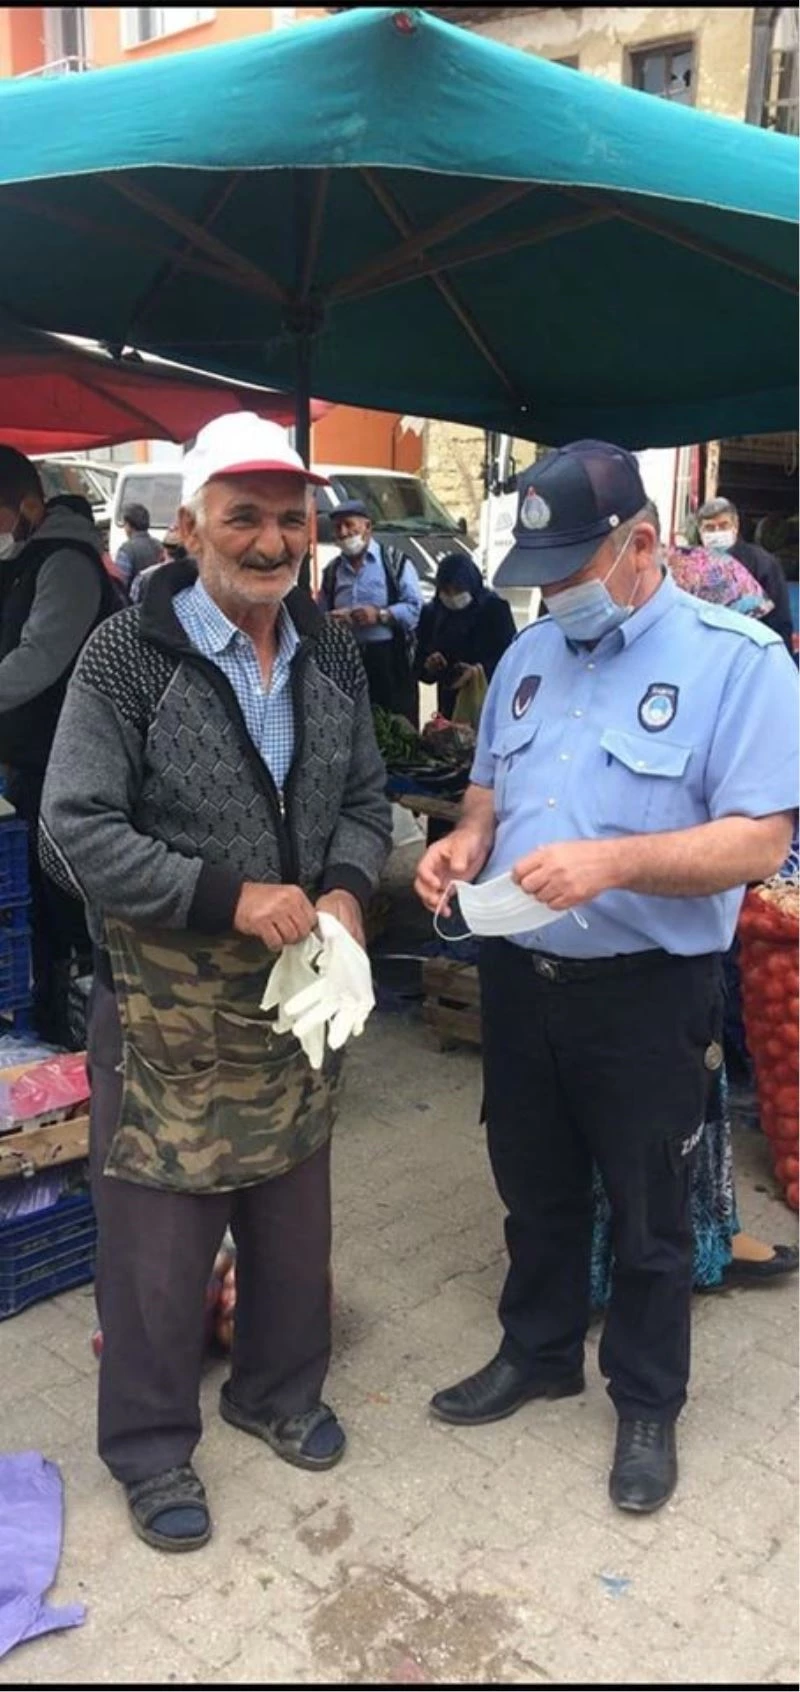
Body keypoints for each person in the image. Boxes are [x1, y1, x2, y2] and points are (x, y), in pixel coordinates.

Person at [415, 439, 798, 1516]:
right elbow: (487, 791)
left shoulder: (739, 662)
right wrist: (460, 845)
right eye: (539, 574)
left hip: (641, 991)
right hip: (518, 975)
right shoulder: (531, 656)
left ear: (642, 545)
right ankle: (535, 1352)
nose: (551, 594)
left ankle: (644, 1400)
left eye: (570, 570)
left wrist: (613, 861)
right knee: (531, 1187)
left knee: (647, 1213)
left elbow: (757, 843)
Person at [40, 412, 391, 1553]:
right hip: (164, 1006)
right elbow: (70, 829)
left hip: (296, 999)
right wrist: (226, 894)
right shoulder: (124, 657)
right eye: (242, 516)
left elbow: (365, 798)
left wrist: (342, 886)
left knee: (293, 1215)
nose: (270, 540)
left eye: (290, 518)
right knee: (156, 1236)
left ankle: (277, 1393)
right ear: (188, 526)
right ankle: (148, 1449)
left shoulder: (331, 650)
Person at [0, 449, 121, 1045]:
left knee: (65, 899)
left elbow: (39, 660)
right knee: (38, 907)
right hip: (28, 758)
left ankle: (82, 1030)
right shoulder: (25, 559)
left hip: (68, 762)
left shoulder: (66, 564)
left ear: (27, 506)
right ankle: (50, 1016)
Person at [317, 500, 422, 723]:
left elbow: (414, 608)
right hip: (346, 659)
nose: (343, 533)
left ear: (367, 527)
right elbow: (320, 617)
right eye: (337, 528)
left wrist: (380, 615)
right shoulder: (332, 571)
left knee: (393, 724)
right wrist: (335, 619)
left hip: (388, 660)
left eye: (349, 525)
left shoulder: (394, 562)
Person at [415, 553, 516, 721]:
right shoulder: (433, 613)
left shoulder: (494, 609)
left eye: (459, 590)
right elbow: (420, 665)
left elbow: (511, 658)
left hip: (490, 700)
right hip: (450, 706)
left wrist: (478, 671)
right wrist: (430, 665)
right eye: (446, 591)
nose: (453, 596)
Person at [696, 496, 794, 655]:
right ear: (700, 531)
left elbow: (780, 623)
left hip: (750, 655)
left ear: (735, 526)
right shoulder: (690, 568)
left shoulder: (763, 564)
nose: (717, 532)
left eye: (723, 525)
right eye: (709, 528)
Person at [114, 502, 164, 599]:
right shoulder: (159, 545)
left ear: (128, 526)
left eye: (124, 524)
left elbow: (119, 586)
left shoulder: (126, 550)